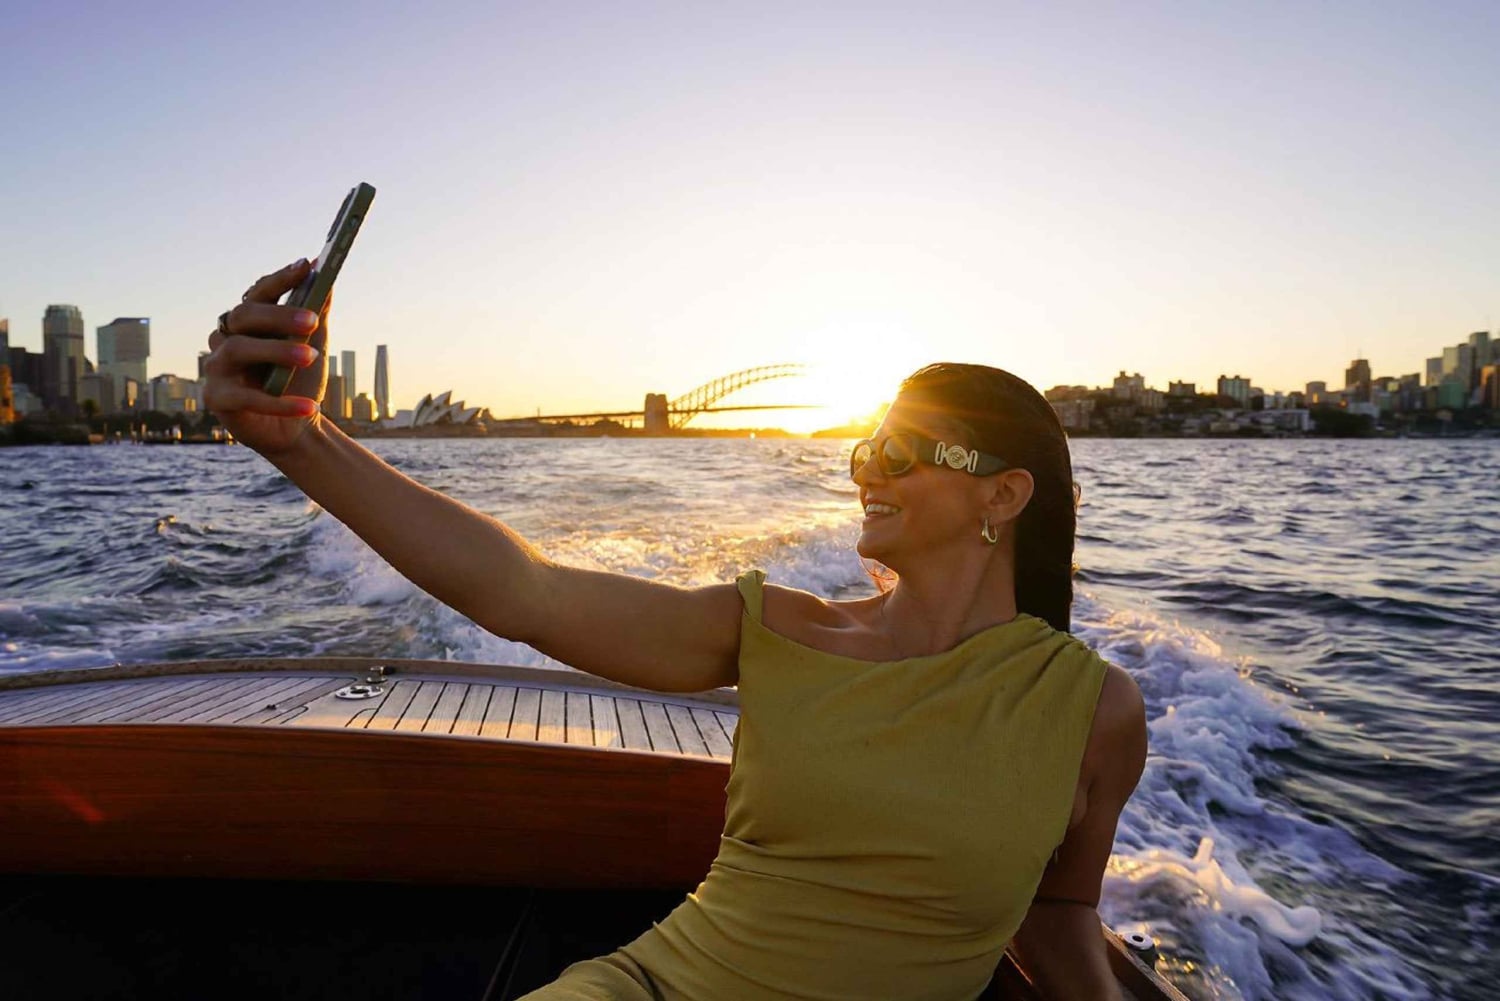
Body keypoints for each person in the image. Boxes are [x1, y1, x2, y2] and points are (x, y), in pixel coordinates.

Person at [204, 258, 1148, 1001]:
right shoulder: (782, 630)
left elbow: (1060, 910)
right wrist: (302, 439)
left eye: (902, 451)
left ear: (1004, 492)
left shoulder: (1092, 712)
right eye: (866, 445)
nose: (868, 470)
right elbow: (521, 591)